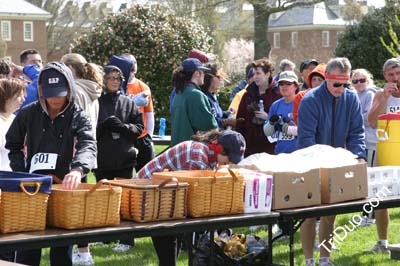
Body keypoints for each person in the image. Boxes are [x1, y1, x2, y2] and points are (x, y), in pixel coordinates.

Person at [6, 62, 97, 266]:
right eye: (50, 93)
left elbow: (88, 144)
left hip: (65, 189)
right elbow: (12, 144)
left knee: (62, 249)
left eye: (60, 93)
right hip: (32, 189)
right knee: (27, 248)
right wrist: (22, 173)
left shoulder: (78, 115)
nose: (56, 98)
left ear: (70, 90)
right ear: (41, 91)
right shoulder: (28, 113)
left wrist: (77, 169)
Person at [137, 129, 246, 266]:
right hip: (146, 197)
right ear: (218, 147)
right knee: (168, 256)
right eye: (229, 158)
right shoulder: (198, 154)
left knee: (170, 254)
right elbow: (194, 195)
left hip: (164, 200)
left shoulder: (210, 157)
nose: (229, 163)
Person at [297, 57, 366, 266]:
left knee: (330, 214)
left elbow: (356, 133)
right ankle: (309, 260)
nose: (341, 89)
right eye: (337, 84)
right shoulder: (310, 100)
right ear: (326, 78)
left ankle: (325, 259)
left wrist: (359, 156)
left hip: (336, 162)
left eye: (345, 84)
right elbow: (306, 140)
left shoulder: (351, 98)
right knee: (309, 214)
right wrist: (320, 164)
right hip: (310, 162)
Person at [60, 53, 103, 265]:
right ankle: (84, 253)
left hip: (74, 155)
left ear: (70, 68)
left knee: (71, 208)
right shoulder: (92, 88)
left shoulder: (75, 90)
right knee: (81, 207)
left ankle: (80, 253)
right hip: (87, 155)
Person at [365, 58, 400, 254]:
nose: (395, 78)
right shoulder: (379, 94)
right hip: (386, 152)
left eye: (398, 74)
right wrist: (385, 98)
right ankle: (382, 242)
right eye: (391, 75)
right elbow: (371, 122)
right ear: (384, 76)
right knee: (381, 200)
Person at [94, 65, 144, 181]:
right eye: (111, 78)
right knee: (105, 196)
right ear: (104, 79)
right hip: (103, 161)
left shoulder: (128, 102)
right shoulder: (96, 102)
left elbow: (139, 127)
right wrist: (102, 126)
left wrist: (123, 127)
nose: (115, 81)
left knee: (126, 196)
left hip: (125, 160)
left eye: (118, 78)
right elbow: (88, 130)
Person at [236, 57, 281, 156]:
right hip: (249, 149)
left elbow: (284, 122)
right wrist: (240, 143)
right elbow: (240, 121)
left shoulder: (277, 95)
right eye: (254, 74)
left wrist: (268, 117)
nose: (255, 77)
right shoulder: (247, 95)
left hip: (271, 149)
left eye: (258, 73)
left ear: (268, 74)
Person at [170, 58, 218, 145]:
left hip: (177, 150)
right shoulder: (196, 95)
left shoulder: (179, 93)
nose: (204, 74)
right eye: (202, 71)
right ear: (197, 73)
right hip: (191, 151)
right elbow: (210, 127)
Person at [263, 71, 299, 154]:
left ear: (296, 86)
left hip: (299, 155)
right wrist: (271, 123)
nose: (284, 86)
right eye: (281, 83)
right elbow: (268, 133)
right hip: (279, 154)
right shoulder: (275, 105)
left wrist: (288, 129)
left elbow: (308, 131)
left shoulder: (303, 103)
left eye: (288, 83)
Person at [200, 63, 235, 129]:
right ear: (209, 78)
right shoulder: (204, 97)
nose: (221, 80)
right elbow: (211, 122)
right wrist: (227, 121)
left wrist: (227, 113)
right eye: (218, 77)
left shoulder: (212, 96)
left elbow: (218, 114)